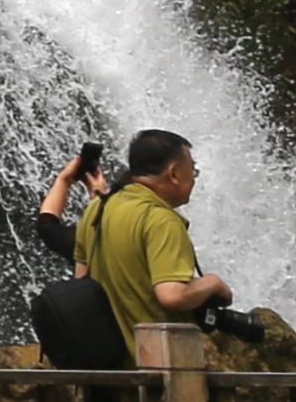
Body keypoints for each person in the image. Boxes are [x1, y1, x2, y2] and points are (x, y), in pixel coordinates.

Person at [76, 127, 237, 344]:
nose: (195, 178)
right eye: (193, 170)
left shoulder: (96, 209)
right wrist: (213, 284)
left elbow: (81, 280)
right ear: (173, 173)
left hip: (107, 364)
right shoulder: (161, 220)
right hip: (156, 364)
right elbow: (172, 295)